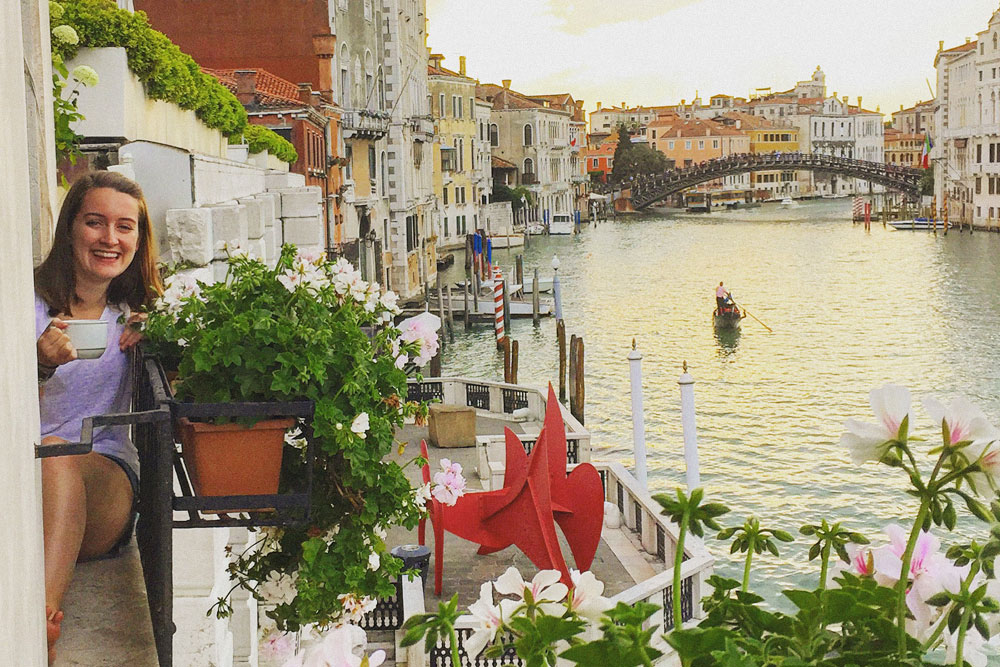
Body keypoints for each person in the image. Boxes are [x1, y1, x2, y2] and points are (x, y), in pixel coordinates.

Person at [34, 171, 162, 663]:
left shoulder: (136, 311)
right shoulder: (25, 305)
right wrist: (41, 362)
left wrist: (163, 332)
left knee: (57, 456)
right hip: (21, 480)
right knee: (46, 455)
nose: (110, 239)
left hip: (103, 477)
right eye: (95, 222)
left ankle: (40, 619)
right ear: (70, 228)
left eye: (125, 227)